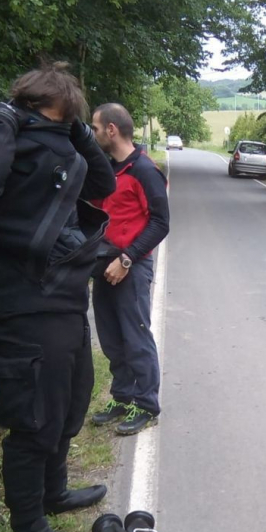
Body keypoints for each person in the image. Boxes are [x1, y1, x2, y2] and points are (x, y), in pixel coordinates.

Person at [0, 62, 116, 532]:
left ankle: (54, 492)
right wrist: (4, 119)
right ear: (30, 105)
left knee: (70, 399)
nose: (62, 125)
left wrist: (79, 132)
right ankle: (29, 526)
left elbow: (101, 182)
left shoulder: (60, 143)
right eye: (57, 115)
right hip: (20, 301)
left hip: (61, 297)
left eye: (70, 119)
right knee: (33, 416)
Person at [87, 102, 169, 435]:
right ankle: (122, 397)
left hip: (130, 267)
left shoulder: (144, 171)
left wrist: (126, 259)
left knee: (135, 335)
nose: (91, 133)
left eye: (94, 127)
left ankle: (147, 404)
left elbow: (161, 223)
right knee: (110, 337)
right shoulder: (107, 171)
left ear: (111, 129)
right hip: (102, 265)